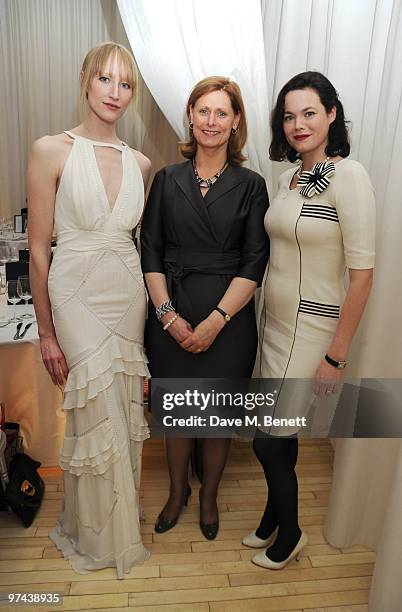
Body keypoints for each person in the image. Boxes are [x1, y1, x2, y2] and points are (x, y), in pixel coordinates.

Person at [28, 42, 151, 577]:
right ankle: (98, 536)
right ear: (85, 80)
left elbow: (139, 246)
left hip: (127, 294)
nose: (114, 92)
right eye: (105, 79)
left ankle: (116, 524)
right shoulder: (50, 149)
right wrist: (47, 334)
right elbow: (37, 250)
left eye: (124, 84)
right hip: (74, 294)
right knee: (93, 410)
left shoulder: (141, 162)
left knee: (123, 411)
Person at [244, 71, 375, 569]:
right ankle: (273, 516)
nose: (298, 124)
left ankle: (291, 533)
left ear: (332, 115)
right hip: (273, 325)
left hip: (313, 330)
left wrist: (335, 357)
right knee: (279, 433)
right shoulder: (287, 178)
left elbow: (362, 277)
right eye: (290, 115)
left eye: (310, 113)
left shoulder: (350, 177)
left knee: (268, 438)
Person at [141, 76, 269, 540]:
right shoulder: (166, 179)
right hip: (170, 312)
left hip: (229, 321)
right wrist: (168, 317)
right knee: (176, 418)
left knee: (216, 421)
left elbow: (256, 261)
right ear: (191, 117)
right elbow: (149, 251)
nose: (211, 121)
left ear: (236, 122)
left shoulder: (252, 186)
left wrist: (215, 322)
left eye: (222, 112)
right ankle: (178, 493)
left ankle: (209, 495)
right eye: (203, 111)